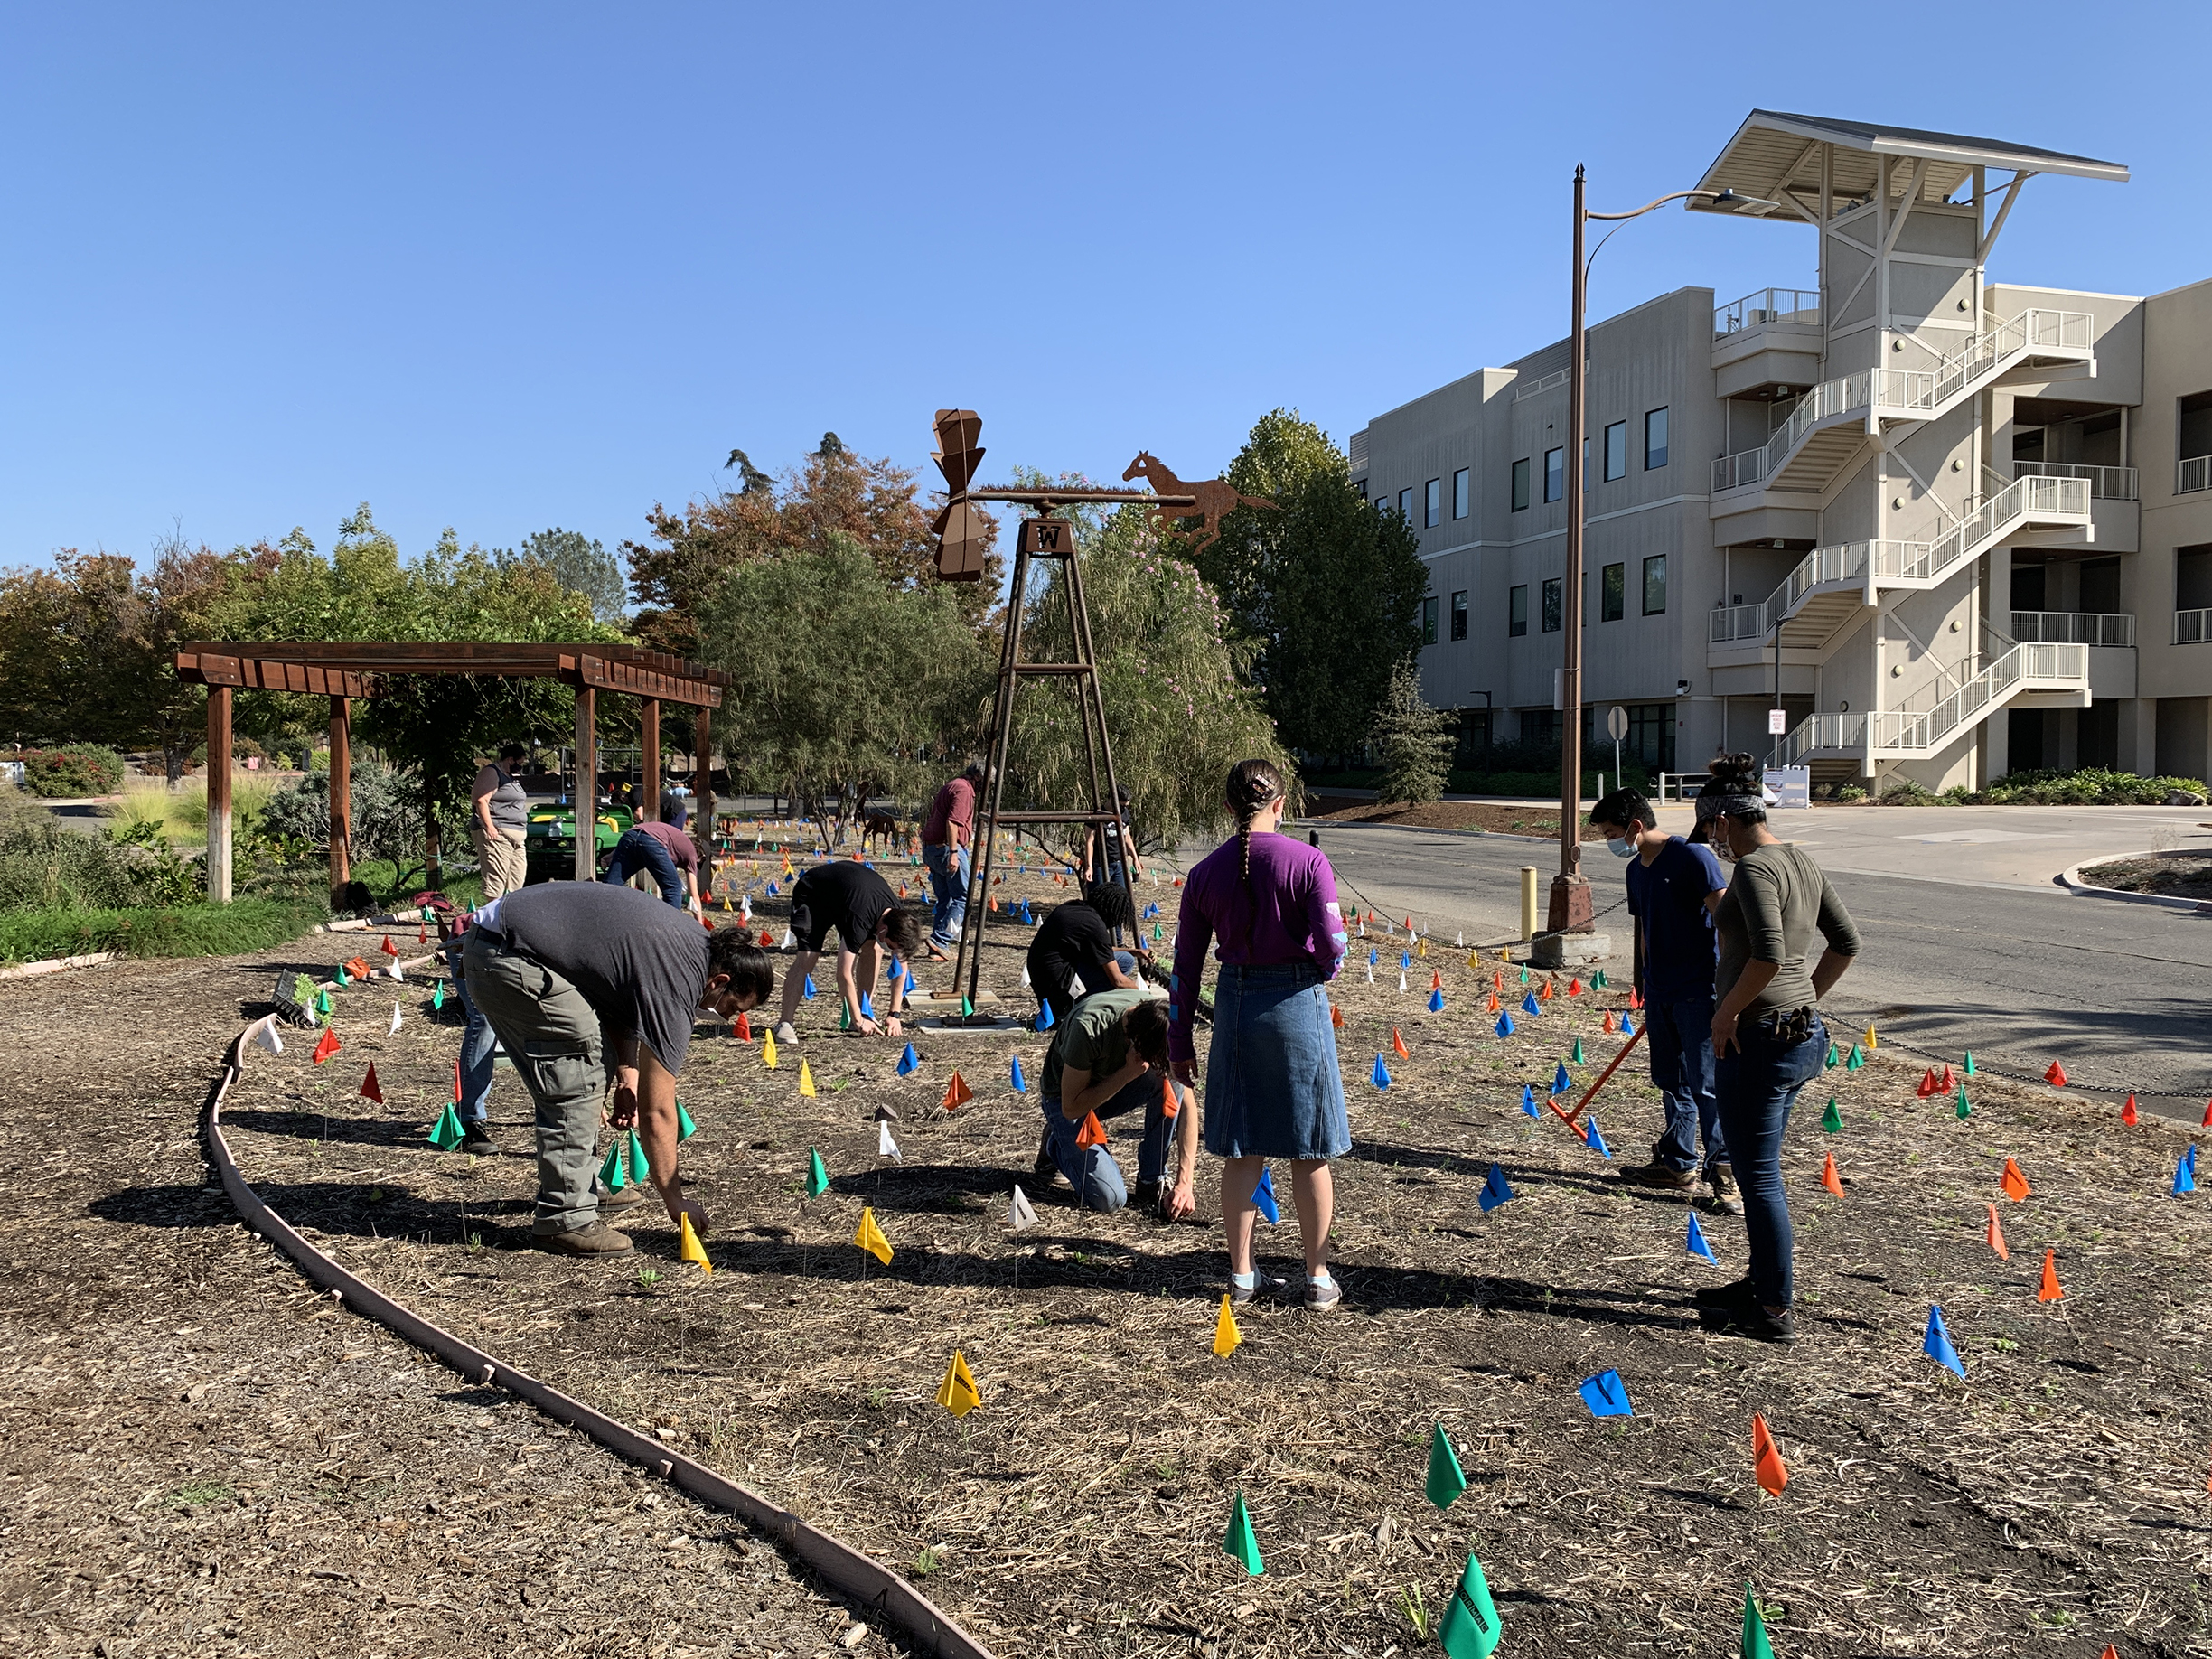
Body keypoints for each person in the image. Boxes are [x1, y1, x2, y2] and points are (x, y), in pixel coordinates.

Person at [461, 882, 774, 1258]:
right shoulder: (680, 980)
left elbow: (616, 998)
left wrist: (626, 1073)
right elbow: (658, 1109)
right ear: (719, 982)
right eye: (732, 1008)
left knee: (592, 1057)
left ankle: (582, 1185)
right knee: (578, 1069)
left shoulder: (694, 948)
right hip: (507, 954)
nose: (728, 1018)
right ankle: (564, 1218)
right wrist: (674, 1200)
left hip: (502, 942)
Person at [1168, 760, 1350, 1311]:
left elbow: (1184, 969)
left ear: (1228, 809)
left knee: (1241, 1147)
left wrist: (1179, 1044)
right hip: (1298, 1004)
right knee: (1309, 1146)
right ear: (1282, 802)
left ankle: (1243, 1275)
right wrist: (1318, 969)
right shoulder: (1309, 862)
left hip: (1236, 1006)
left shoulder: (1203, 875)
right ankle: (1317, 1278)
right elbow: (1334, 945)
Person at [1693, 753, 1861, 1344]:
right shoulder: (1801, 860)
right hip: (1799, 1034)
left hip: (1759, 1039)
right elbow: (1846, 941)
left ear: (1722, 822)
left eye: (1710, 832)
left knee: (1757, 1176)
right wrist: (1806, 998)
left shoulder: (1756, 869)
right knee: (1762, 1170)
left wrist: (1727, 1011)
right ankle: (1761, 1284)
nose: (1713, 844)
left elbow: (1767, 953)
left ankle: (1771, 1310)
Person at [1588, 785, 1740, 1216]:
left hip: (1699, 991)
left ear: (1636, 826)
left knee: (1706, 1084)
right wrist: (1643, 985)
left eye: (1611, 832)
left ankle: (1725, 1174)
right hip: (1660, 993)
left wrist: (1728, 988)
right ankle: (1677, 1163)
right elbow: (1644, 931)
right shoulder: (1636, 868)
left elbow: (1724, 917)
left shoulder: (1694, 857)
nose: (1609, 842)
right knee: (1670, 1080)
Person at [1036, 988, 1196, 1218]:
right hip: (1066, 1098)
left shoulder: (1160, 1016)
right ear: (1136, 1045)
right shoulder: (1089, 1028)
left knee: (1174, 1085)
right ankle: (1055, 1145)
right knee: (1109, 1198)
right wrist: (1126, 1074)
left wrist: (1185, 1183)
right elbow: (1070, 1107)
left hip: (1110, 1084)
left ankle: (1152, 1179)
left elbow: (1187, 1108)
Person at [770, 859, 925, 1045]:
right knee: (808, 957)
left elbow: (900, 964)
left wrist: (894, 1013)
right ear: (883, 931)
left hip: (847, 897)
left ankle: (863, 1011)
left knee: (873, 949)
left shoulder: (896, 916)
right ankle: (785, 1023)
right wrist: (858, 1021)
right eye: (891, 946)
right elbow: (843, 974)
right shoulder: (861, 919)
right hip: (813, 894)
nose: (890, 951)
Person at [1027, 886, 1143, 1026]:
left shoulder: (1075, 908)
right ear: (1113, 911)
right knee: (1125, 962)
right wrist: (1143, 994)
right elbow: (1117, 980)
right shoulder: (1094, 925)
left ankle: (1066, 1005)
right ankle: (1078, 1007)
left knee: (1126, 957)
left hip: (1044, 978)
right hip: (1058, 985)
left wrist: (1133, 950)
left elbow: (1099, 948)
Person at [919, 762, 987, 961]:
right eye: (986, 782)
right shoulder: (964, 790)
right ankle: (940, 940)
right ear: (977, 777)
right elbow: (952, 822)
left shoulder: (954, 784)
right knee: (963, 897)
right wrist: (954, 853)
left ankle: (936, 948)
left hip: (933, 847)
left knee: (946, 898)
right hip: (947, 848)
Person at [601, 792, 703, 914]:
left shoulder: (678, 844)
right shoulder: (692, 854)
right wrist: (700, 927)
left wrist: (611, 857)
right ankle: (673, 927)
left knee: (611, 886)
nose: (695, 867)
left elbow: (637, 838)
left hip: (630, 835)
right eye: (699, 865)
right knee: (673, 888)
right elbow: (694, 896)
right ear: (700, 856)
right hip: (650, 841)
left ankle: (598, 916)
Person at [470, 743, 530, 901]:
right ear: (511, 760)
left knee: (517, 876)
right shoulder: (491, 772)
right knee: (496, 877)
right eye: (520, 763)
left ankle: (509, 914)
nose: (521, 767)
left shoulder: (510, 776)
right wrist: (489, 827)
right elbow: (480, 799)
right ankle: (491, 917)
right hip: (498, 833)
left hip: (517, 836)